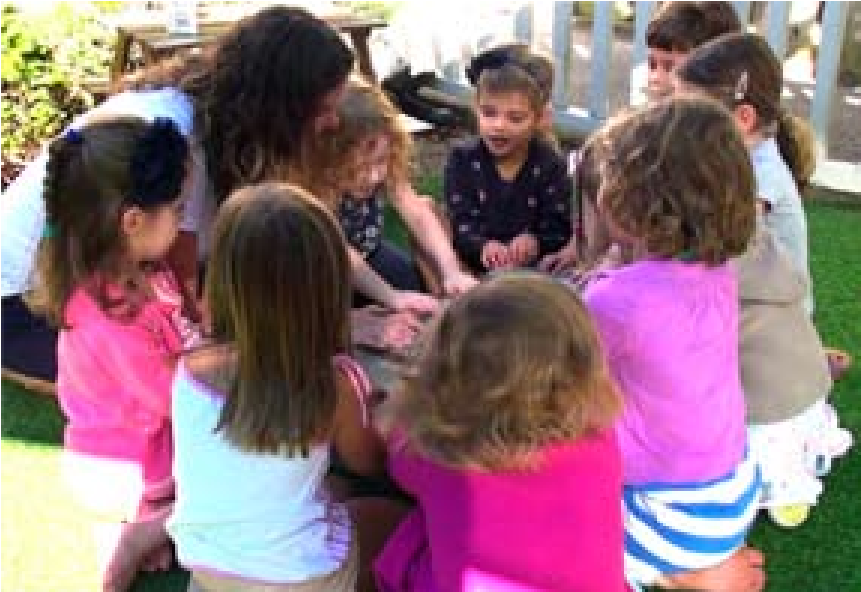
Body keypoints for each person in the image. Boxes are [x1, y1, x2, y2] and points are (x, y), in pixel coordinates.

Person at [1, 5, 355, 393]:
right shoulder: (172, 139)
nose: (334, 122)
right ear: (279, 106)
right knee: (231, 379)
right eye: (323, 109)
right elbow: (184, 311)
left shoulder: (219, 128)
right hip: (24, 306)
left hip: (104, 282)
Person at [167, 183, 387, 591]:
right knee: (395, 521)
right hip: (300, 579)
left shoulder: (189, 367)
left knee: (325, 493)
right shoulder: (334, 381)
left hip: (206, 571)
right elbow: (371, 462)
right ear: (325, 286)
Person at [583, 96, 764, 591]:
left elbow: (553, 359)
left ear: (630, 200)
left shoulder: (615, 301)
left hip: (668, 509)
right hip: (733, 488)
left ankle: (683, 572)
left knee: (565, 532)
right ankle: (704, 563)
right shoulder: (717, 272)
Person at [374, 272, 627, 591]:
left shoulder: (442, 456)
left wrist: (412, 390)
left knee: (408, 533)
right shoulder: (600, 436)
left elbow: (393, 453)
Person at [27, 115, 196, 591]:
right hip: (123, 465)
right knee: (232, 483)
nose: (183, 222)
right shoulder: (108, 315)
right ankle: (135, 534)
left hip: (144, 446)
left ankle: (149, 523)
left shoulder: (144, 269)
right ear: (133, 222)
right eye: (177, 211)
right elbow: (173, 399)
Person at [675, 31, 853, 376]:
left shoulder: (763, 175)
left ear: (743, 118)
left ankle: (804, 356)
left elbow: (727, 243)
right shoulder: (733, 157)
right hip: (752, 294)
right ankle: (810, 355)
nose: (679, 126)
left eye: (691, 115)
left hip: (774, 311)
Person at [540, 1, 742, 273]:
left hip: (700, 274)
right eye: (652, 64)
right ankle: (586, 256)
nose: (656, 78)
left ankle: (604, 270)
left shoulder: (718, 140)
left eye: (670, 67)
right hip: (654, 257)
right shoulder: (659, 119)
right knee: (593, 157)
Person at [307, 77, 476, 309]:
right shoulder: (314, 187)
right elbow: (341, 252)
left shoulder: (380, 160)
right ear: (327, 160)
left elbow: (416, 211)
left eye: (381, 161)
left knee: (412, 288)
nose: (375, 176)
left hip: (370, 251)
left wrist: (451, 271)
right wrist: (391, 297)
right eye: (359, 169)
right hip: (325, 269)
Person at [734, 225, 853, 527]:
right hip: (809, 394)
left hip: (768, 417)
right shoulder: (766, 251)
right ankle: (806, 453)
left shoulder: (693, 275)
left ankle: (786, 486)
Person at [444, 43, 573, 275]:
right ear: (476, 108)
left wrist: (535, 242)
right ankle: (451, 298)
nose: (499, 126)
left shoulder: (549, 162)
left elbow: (559, 224)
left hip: (532, 270)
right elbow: (461, 222)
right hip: (473, 267)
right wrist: (482, 245)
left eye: (515, 118)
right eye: (489, 113)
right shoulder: (462, 159)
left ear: (539, 117)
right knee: (433, 218)